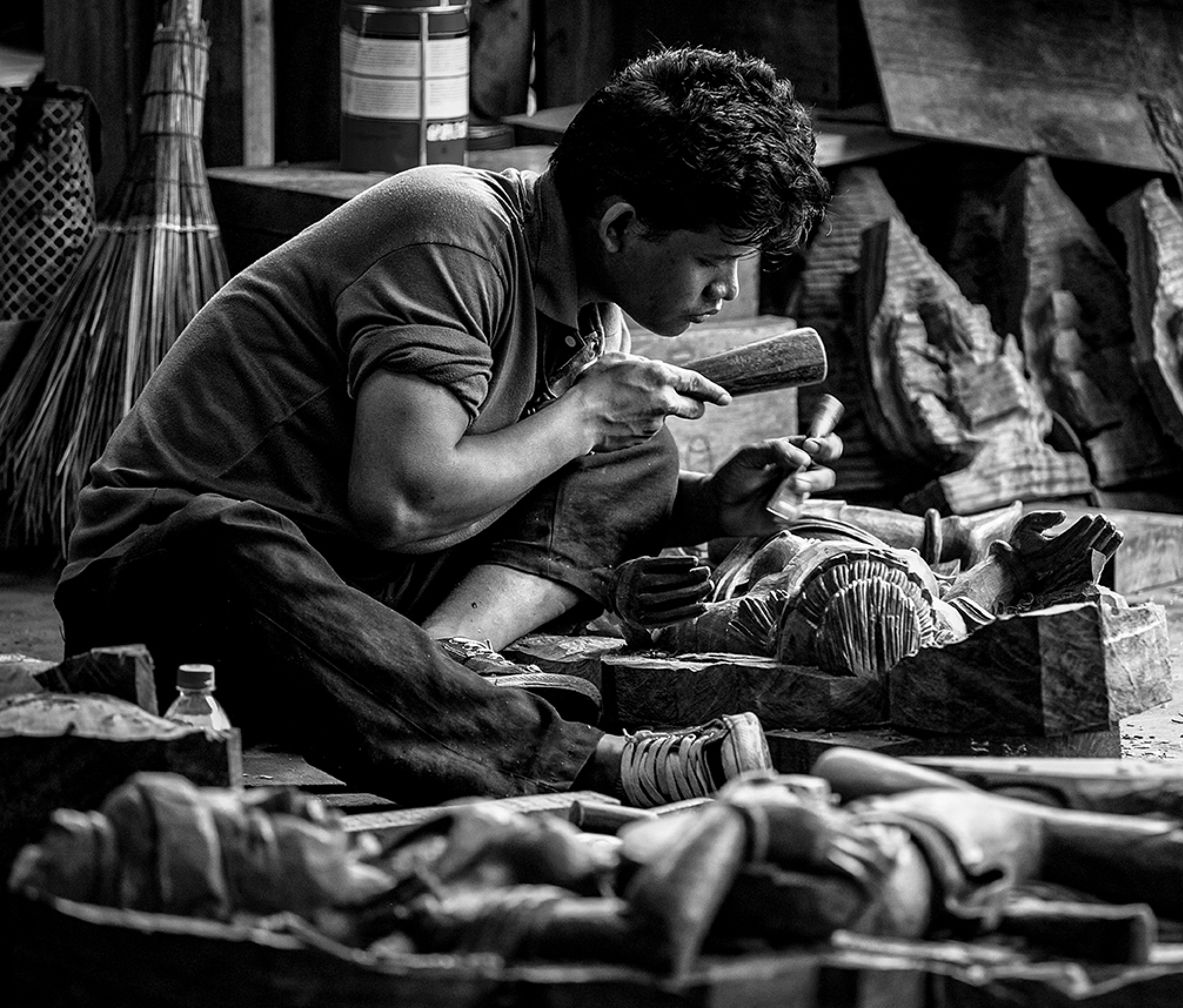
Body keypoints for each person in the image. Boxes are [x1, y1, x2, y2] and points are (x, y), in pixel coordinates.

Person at [53, 47, 835, 809]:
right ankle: (580, 761)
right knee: (220, 545)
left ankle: (437, 665)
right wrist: (587, 411)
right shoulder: (450, 232)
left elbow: (520, 477)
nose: (726, 289)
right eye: (715, 260)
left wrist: (706, 508)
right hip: (168, 592)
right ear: (620, 225)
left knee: (639, 452)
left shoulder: (596, 315)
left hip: (356, 589)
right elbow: (400, 506)